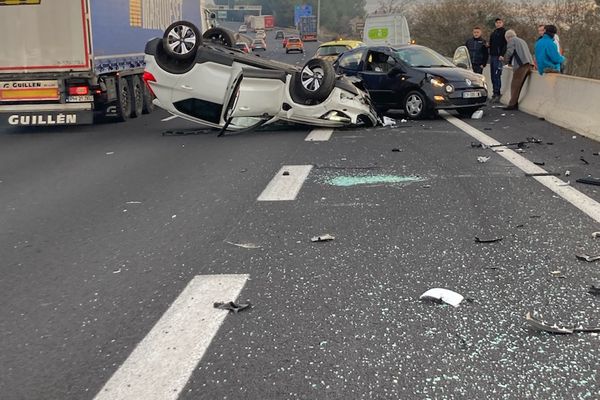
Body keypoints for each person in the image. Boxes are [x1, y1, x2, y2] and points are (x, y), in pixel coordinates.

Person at [503, 30, 533, 110]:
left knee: (515, 85)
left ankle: (512, 104)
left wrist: (505, 61)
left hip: (521, 65)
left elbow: (510, 52)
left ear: (507, 37)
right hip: (529, 64)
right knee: (520, 85)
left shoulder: (512, 41)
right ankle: (514, 102)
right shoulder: (522, 40)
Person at [488, 18, 507, 102]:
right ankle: (494, 93)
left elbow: (505, 44)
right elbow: (491, 43)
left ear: (502, 23)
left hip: (499, 56)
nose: (498, 24)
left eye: (500, 22)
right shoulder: (493, 33)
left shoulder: (504, 32)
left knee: (497, 75)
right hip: (492, 56)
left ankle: (498, 93)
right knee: (492, 75)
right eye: (497, 23)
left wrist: (502, 54)